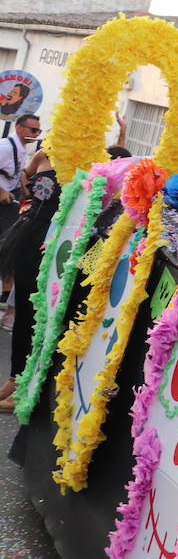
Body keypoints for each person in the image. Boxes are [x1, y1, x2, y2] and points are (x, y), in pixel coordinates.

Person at [0, 139, 57, 410]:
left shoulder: (91, 159)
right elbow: (26, 172)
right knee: (23, 311)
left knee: (40, 317)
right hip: (30, 235)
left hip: (58, 243)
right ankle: (14, 378)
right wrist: (27, 191)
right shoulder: (45, 153)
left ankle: (28, 385)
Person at [0, 114, 36, 239]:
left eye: (38, 131)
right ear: (19, 128)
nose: (36, 134)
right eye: (33, 130)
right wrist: (1, 191)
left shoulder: (21, 148)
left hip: (6, 203)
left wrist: (26, 194)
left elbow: (18, 173)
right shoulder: (4, 147)